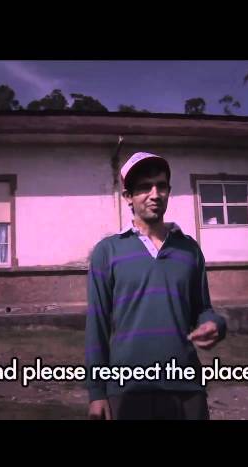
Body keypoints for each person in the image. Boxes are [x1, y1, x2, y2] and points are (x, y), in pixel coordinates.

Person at [85, 151, 227, 420]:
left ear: (168, 192)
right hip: (128, 391)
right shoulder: (108, 251)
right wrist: (96, 392)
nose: (155, 194)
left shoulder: (189, 250)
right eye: (144, 187)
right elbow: (97, 326)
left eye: (161, 186)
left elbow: (202, 309)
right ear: (128, 196)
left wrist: (215, 324)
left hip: (186, 390)